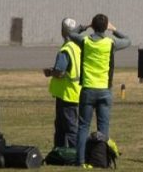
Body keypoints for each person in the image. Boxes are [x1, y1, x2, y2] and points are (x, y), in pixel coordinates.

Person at [68, 14, 131, 168]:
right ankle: (102, 160)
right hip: (104, 90)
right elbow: (128, 41)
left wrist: (85, 26)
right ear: (106, 27)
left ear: (94, 26)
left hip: (88, 89)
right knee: (103, 127)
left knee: (83, 126)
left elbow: (71, 34)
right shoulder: (110, 43)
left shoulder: (85, 41)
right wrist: (114, 29)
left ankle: (80, 161)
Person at [45, 18, 83, 149]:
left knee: (68, 128)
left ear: (62, 31)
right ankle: (61, 153)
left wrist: (50, 72)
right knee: (64, 127)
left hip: (66, 94)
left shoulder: (66, 50)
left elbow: (60, 72)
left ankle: (74, 155)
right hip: (76, 92)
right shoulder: (78, 47)